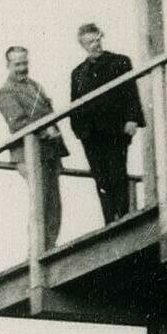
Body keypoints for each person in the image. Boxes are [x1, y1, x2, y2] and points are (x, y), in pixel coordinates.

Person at [68, 23, 144, 226]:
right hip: (90, 134)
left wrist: (132, 118)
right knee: (101, 178)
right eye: (90, 42)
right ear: (83, 45)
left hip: (115, 129)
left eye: (98, 39)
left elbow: (131, 92)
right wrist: (79, 130)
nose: (96, 45)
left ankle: (123, 217)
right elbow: (74, 104)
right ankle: (109, 220)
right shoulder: (78, 73)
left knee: (117, 172)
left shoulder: (119, 62)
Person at [0, 45, 66, 250]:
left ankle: (49, 247)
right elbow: (17, 123)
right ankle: (37, 251)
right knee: (40, 202)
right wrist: (45, 132)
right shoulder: (6, 91)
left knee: (54, 203)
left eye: (25, 63)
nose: (22, 68)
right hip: (28, 154)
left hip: (49, 152)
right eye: (17, 64)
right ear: (8, 65)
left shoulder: (35, 86)